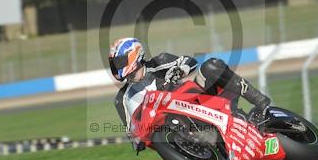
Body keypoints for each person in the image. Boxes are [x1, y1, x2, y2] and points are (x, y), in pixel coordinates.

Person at [109, 37, 272, 139]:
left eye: (119, 62)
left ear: (134, 55)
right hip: (172, 131)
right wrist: (137, 138)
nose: (117, 67)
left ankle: (260, 103)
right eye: (114, 64)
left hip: (195, 101)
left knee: (211, 66)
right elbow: (132, 132)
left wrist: (182, 69)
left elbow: (189, 61)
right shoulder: (121, 99)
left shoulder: (159, 62)